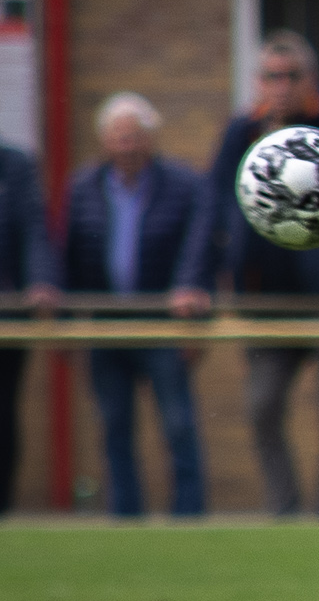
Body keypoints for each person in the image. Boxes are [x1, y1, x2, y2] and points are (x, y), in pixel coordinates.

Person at [209, 30, 319, 519]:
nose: (281, 86)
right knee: (261, 407)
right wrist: (206, 278)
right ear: (258, 82)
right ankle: (285, 511)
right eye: (272, 76)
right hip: (267, 298)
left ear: (312, 80)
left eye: (291, 76)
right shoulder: (242, 134)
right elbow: (213, 206)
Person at [65, 94, 213, 518]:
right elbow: (68, 254)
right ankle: (125, 519)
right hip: (106, 325)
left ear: (150, 139)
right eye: (118, 137)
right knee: (114, 427)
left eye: (133, 137)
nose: (126, 145)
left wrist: (189, 294)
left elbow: (198, 247)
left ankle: (189, 518)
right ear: (104, 141)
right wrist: (67, 320)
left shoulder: (183, 184)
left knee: (178, 425)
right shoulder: (83, 187)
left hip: (164, 322)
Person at [0, 136, 62, 514]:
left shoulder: (14, 165)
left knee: (3, 413)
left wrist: (40, 281)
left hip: (7, 321)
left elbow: (34, 230)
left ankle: (3, 508)